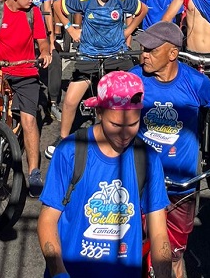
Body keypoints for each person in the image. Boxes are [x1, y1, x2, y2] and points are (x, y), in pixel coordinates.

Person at [37, 70, 171, 278]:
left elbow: (160, 232)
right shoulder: (71, 151)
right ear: (99, 113)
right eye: (116, 125)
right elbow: (47, 220)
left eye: (133, 124)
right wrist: (58, 271)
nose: (125, 134)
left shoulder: (147, 159)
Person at [132, 22, 210, 278]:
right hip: (140, 183)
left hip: (181, 187)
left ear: (172, 53)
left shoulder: (195, 82)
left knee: (175, 255)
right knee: (135, 251)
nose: (143, 54)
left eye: (151, 50)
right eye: (143, 48)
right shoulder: (133, 79)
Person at [47, 0, 146, 159]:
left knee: (132, 93)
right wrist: (70, 28)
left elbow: (142, 9)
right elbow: (57, 5)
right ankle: (63, 137)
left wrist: (128, 31)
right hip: (88, 55)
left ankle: (133, 136)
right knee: (70, 100)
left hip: (116, 55)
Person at [0, 0, 51, 197]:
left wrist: (46, 52)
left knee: (29, 120)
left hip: (26, 71)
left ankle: (34, 172)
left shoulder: (34, 12)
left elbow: (43, 41)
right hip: (0, 71)